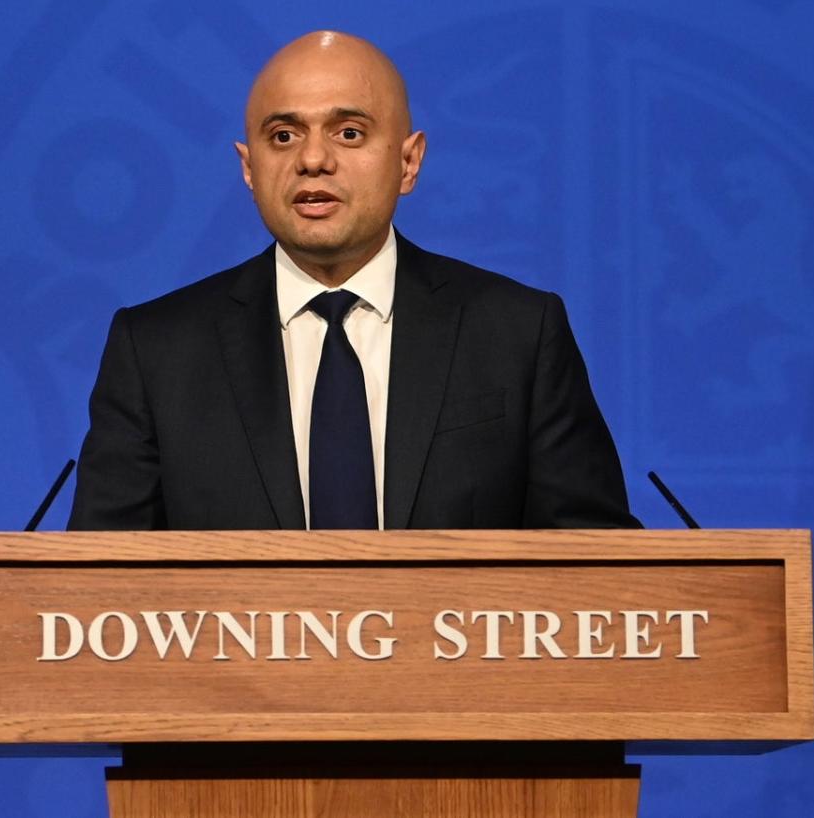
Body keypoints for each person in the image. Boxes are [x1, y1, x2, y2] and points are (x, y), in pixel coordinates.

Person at [68, 31, 638, 530]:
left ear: (409, 162)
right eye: (284, 136)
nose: (313, 160)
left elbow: (603, 576)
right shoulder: (157, 350)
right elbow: (91, 594)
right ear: (248, 167)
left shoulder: (517, 334)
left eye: (349, 133)